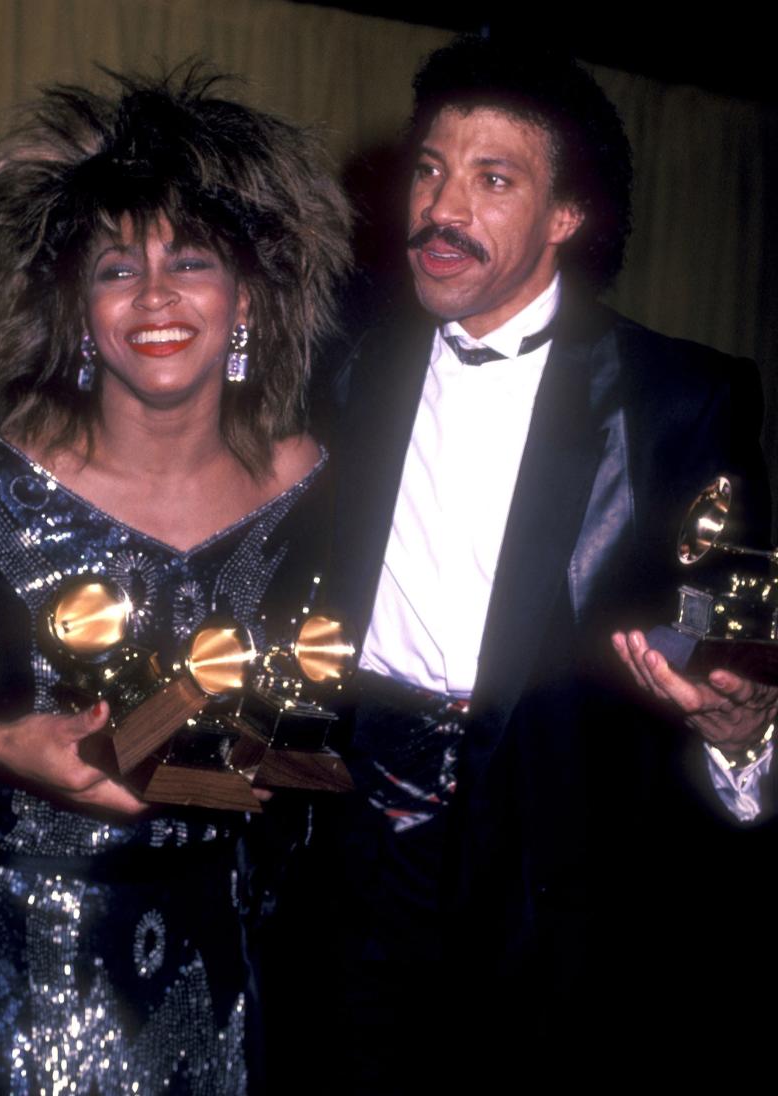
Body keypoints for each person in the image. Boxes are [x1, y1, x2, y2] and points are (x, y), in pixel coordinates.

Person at [0, 70, 351, 1094]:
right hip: (7, 998)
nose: (154, 298)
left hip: (238, 999)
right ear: (76, 304)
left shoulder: (322, 494)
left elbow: (357, 749)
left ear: (248, 296)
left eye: (191, 261)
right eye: (116, 268)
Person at [283, 33, 775, 1090]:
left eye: (491, 179)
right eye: (429, 169)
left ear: (565, 218)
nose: (440, 207)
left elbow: (723, 633)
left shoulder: (678, 397)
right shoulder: (347, 358)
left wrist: (745, 732)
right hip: (358, 836)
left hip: (561, 876)